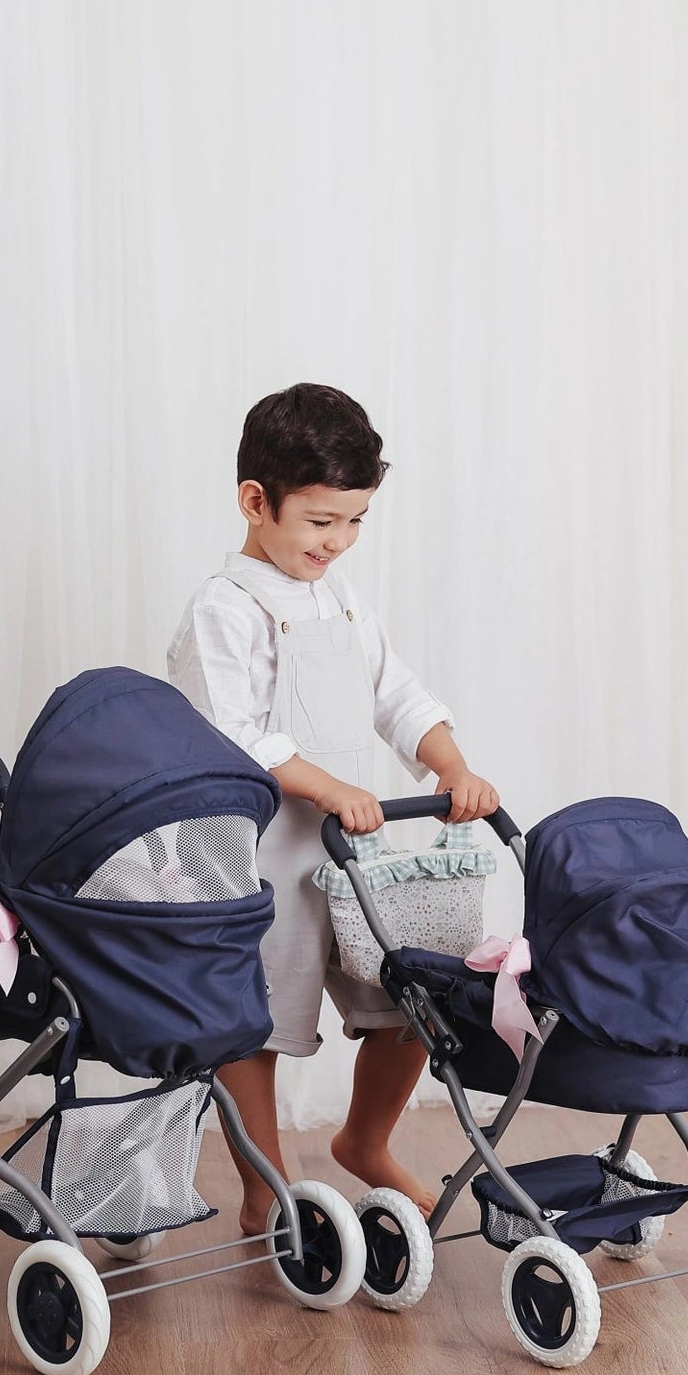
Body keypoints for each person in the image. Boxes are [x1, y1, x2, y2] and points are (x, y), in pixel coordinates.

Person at [166, 382, 499, 1230]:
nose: (339, 541)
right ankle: (263, 1185)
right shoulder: (225, 609)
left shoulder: (343, 599)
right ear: (255, 502)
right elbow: (233, 733)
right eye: (321, 522)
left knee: (416, 992)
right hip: (263, 857)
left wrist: (450, 765)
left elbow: (396, 694)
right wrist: (327, 787)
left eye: (353, 522)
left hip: (358, 853)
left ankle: (365, 1141)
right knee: (261, 1021)